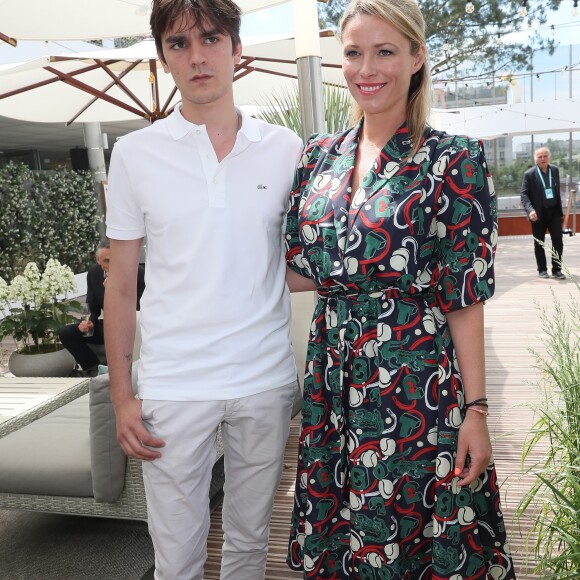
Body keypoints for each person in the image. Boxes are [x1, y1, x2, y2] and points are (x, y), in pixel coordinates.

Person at [283, 0, 516, 577]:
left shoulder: (451, 159)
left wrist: (477, 411)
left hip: (413, 380)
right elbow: (295, 267)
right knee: (344, 537)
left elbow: (464, 298)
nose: (368, 69)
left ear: (416, 57)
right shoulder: (317, 156)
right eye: (355, 53)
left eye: (385, 51)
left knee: (418, 532)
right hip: (332, 379)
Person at [103, 0, 303, 578]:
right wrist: (122, 397)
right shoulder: (135, 155)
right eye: (179, 44)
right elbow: (120, 288)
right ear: (164, 58)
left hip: (263, 378)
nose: (197, 56)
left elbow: (300, 261)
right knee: (177, 556)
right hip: (173, 385)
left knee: (248, 544)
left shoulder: (286, 148)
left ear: (238, 50)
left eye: (211, 39)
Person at [59, 242, 144, 377]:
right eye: (107, 261)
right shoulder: (94, 274)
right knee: (66, 333)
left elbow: (138, 309)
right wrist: (88, 322)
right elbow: (91, 306)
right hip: (108, 326)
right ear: (98, 260)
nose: (112, 265)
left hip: (131, 328)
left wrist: (114, 291)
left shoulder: (137, 273)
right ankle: (94, 370)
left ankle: (114, 370)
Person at [520, 146, 566, 280]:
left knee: (558, 241)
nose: (543, 159)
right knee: (539, 243)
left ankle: (557, 270)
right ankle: (542, 270)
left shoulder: (555, 170)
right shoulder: (529, 174)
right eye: (540, 157)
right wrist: (530, 210)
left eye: (545, 156)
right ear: (536, 159)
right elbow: (524, 195)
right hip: (538, 214)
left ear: (549, 157)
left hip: (554, 212)